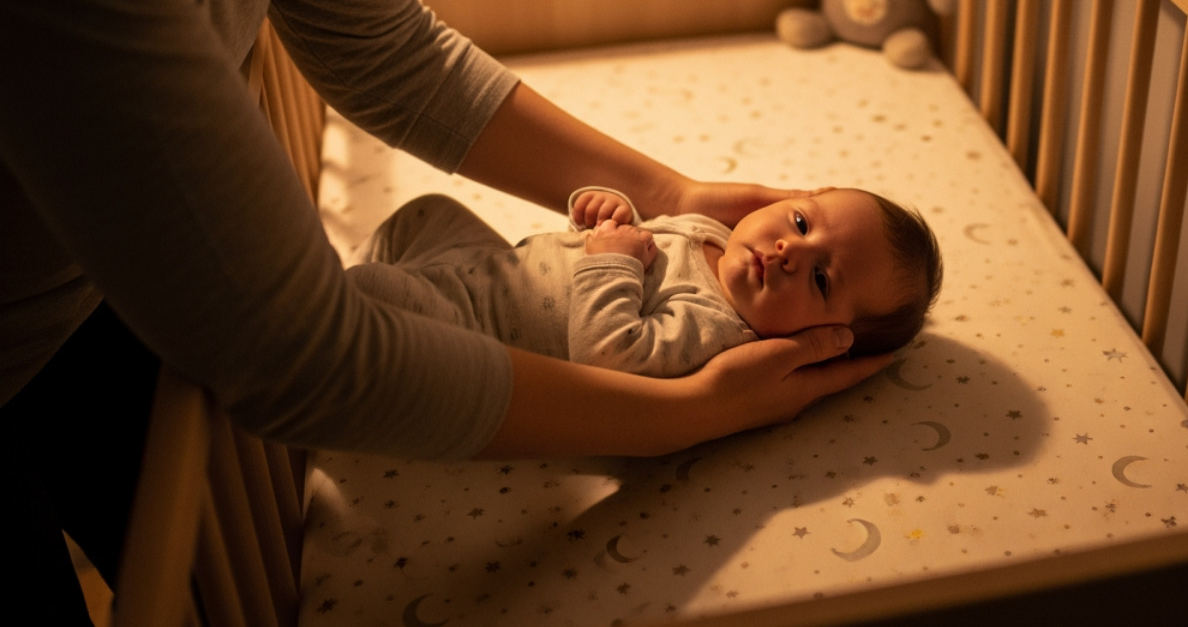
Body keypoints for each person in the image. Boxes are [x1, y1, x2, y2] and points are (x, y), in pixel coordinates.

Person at [0, 0, 889, 627]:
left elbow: (385, 52)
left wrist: (664, 190)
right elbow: (304, 353)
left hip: (85, 278)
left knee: (212, 596)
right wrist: (679, 415)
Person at [349, 186, 944, 374]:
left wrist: (612, 260)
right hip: (497, 266)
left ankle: (336, 335)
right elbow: (635, 239)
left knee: (369, 292)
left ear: (824, 341)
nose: (790, 250)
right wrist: (606, 214)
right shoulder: (711, 233)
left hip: (475, 330)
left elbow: (608, 354)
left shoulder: (718, 332)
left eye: (820, 279)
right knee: (428, 212)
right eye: (801, 222)